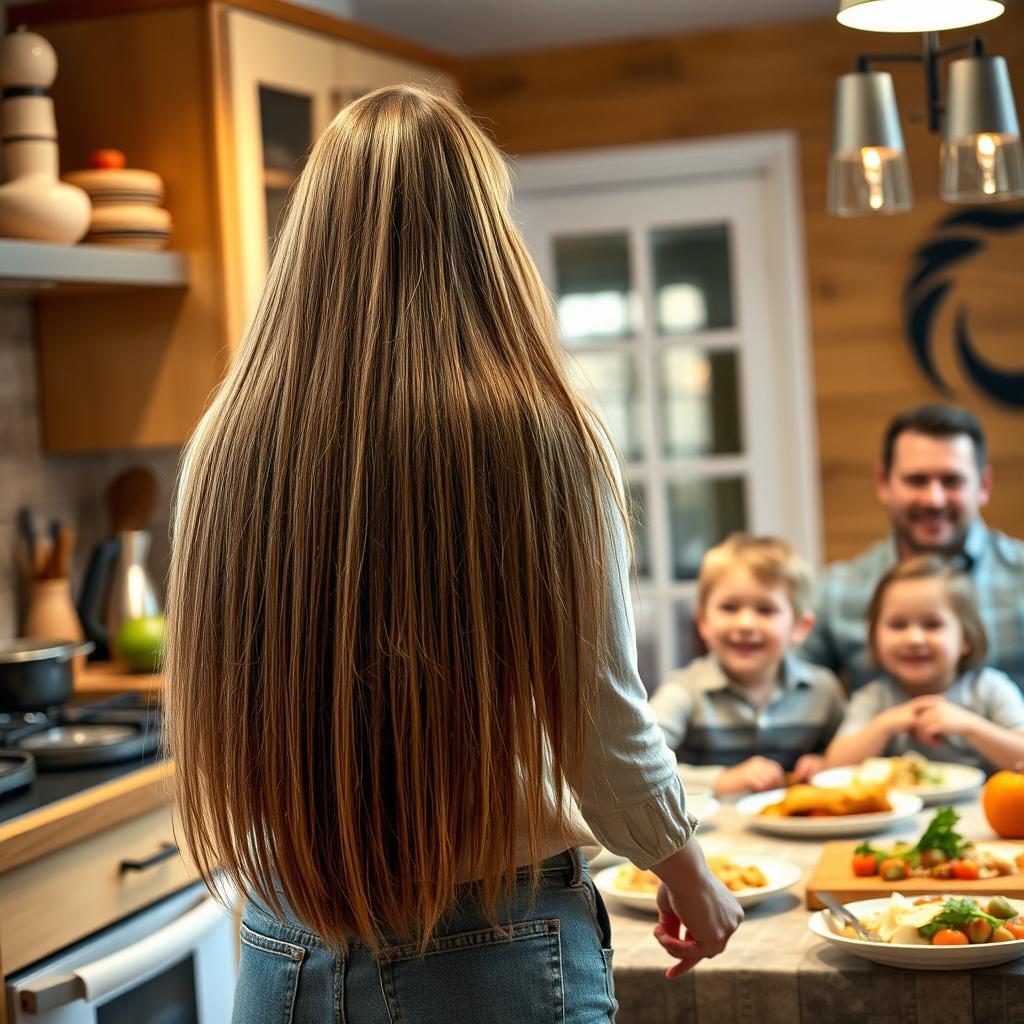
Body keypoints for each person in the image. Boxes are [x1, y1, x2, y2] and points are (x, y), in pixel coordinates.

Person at [164, 85, 741, 1022]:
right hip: (492, 939)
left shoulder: (226, 445)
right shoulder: (542, 435)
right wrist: (687, 873)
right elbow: (603, 721)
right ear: (485, 238)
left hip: (284, 938)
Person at [801, 403, 1024, 692]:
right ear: (884, 483)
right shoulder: (834, 592)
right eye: (916, 480)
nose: (934, 499)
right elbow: (790, 692)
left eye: (952, 481)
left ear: (983, 485)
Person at [650, 534, 846, 795]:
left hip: (796, 829)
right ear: (703, 622)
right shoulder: (684, 689)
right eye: (730, 608)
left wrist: (824, 763)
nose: (745, 624)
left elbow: (845, 755)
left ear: (800, 627)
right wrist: (721, 781)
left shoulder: (823, 689)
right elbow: (642, 763)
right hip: (707, 833)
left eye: (765, 610)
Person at [825, 557, 1024, 772]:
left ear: (966, 637)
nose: (914, 639)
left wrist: (971, 727)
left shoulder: (989, 689)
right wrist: (884, 726)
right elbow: (835, 765)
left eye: (932, 625)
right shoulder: (874, 698)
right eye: (898, 625)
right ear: (874, 637)